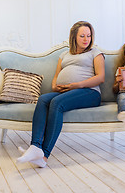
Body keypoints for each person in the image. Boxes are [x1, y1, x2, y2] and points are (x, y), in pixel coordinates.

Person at [16, 21, 105, 168]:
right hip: (68, 92)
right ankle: (35, 147)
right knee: (44, 99)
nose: (86, 39)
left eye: (89, 36)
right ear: (73, 37)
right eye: (82, 35)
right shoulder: (64, 55)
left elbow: (100, 77)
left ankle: (44, 156)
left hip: (90, 93)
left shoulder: (95, 53)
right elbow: (56, 76)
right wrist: (54, 86)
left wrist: (77, 84)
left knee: (57, 103)